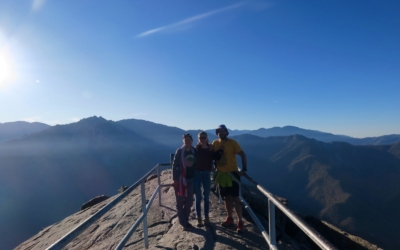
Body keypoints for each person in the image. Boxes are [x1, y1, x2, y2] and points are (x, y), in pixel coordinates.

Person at [212, 124, 248, 233]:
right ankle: (230, 218)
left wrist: (244, 169)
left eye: (223, 131)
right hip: (221, 174)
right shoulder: (215, 143)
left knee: (236, 199)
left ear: (226, 132)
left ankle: (240, 222)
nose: (221, 133)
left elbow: (243, 154)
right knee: (226, 198)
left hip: (232, 174)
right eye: (219, 131)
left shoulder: (232, 143)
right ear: (217, 133)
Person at [172, 133, 197, 231]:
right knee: (179, 202)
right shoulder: (179, 151)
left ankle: (185, 221)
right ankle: (184, 223)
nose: (187, 142)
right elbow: (174, 165)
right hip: (181, 179)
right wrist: (175, 179)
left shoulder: (194, 151)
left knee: (189, 202)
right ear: (183, 141)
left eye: (189, 140)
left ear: (192, 141)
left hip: (191, 179)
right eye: (185, 140)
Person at [194, 131, 214, 227]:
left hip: (206, 174)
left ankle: (206, 218)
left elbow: (217, 157)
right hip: (197, 174)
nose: (202, 139)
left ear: (207, 138)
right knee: (198, 198)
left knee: (206, 198)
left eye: (204, 137)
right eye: (200, 138)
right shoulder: (196, 149)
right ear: (198, 139)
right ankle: (199, 219)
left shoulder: (211, 149)